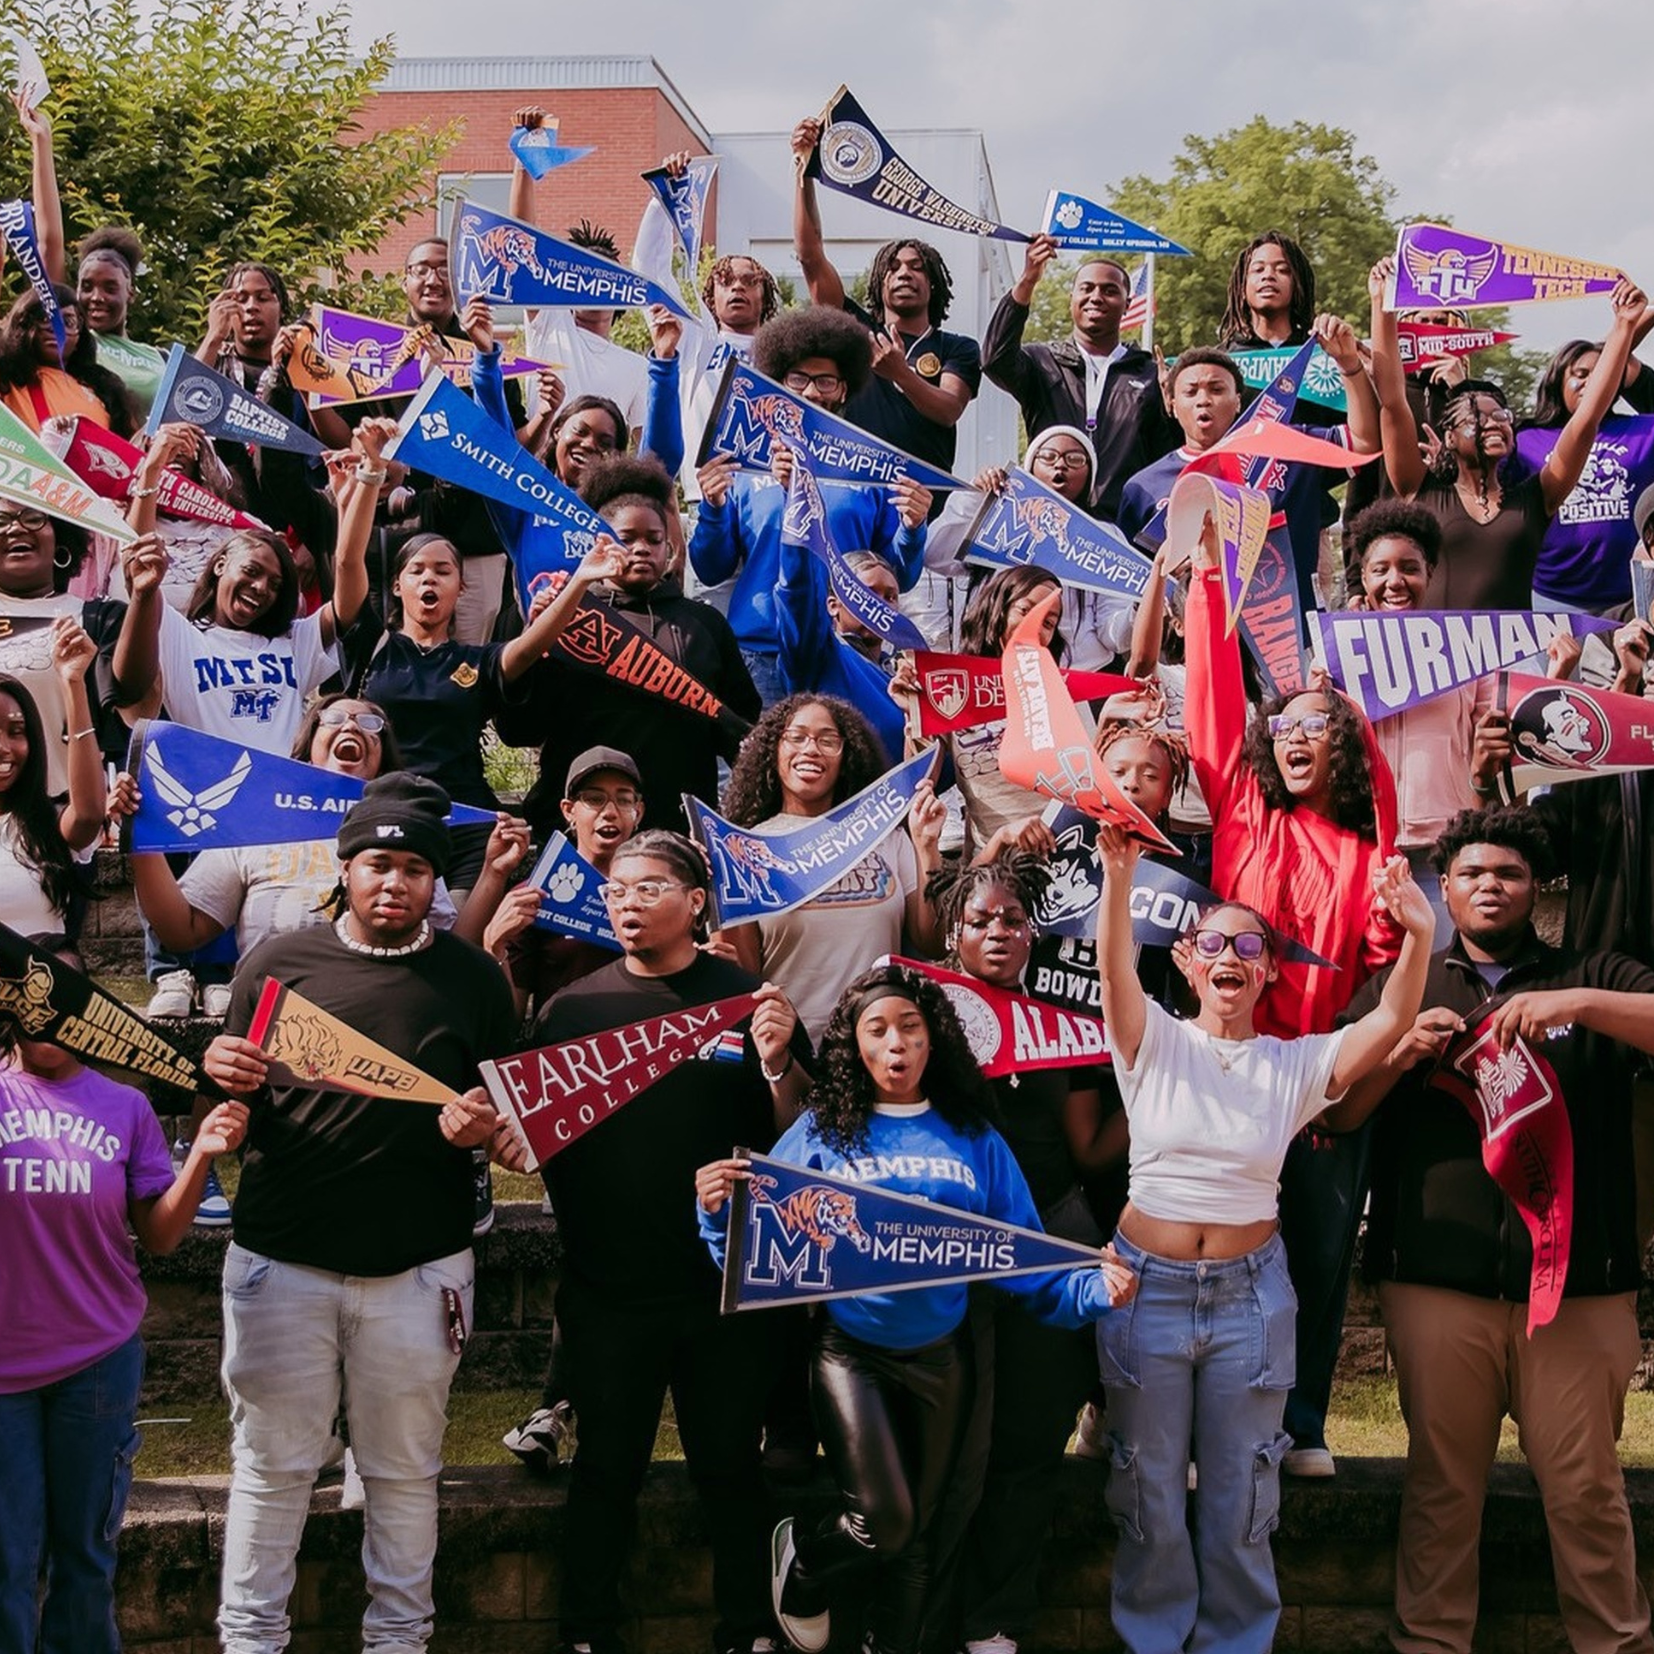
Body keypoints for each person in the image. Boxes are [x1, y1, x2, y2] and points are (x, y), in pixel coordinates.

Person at [696, 963, 1136, 1654]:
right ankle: (805, 1567)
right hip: (852, 1356)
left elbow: (1022, 1265)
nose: (896, 1043)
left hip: (942, 1358)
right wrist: (718, 1214)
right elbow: (757, 1258)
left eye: (911, 1027)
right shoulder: (821, 1132)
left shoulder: (976, 1138)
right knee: (885, 1524)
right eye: (878, 1029)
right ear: (853, 1046)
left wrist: (1094, 1289)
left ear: (935, 1042)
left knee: (920, 1539)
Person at [1092, 822, 1433, 1654]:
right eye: (1214, 941)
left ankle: (1237, 1643)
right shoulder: (1153, 1039)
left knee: (1245, 1495)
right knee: (1149, 1489)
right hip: (1147, 1293)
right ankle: (1152, 1640)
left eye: (1250, 943)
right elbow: (1110, 973)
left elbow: (1391, 1019)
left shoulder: (1294, 1065)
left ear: (1270, 969)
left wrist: (1420, 934)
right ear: (1187, 960)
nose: (1231, 954)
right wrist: (1117, 877)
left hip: (1250, 1299)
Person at [202, 773, 515, 1654]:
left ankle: (399, 1644)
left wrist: (485, 1129)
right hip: (280, 1265)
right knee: (270, 1472)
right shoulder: (275, 965)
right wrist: (214, 1082)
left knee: (405, 1475)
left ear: (433, 884)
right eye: (378, 863)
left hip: (419, 1271)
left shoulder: (474, 979)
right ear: (347, 869)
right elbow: (222, 1117)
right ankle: (250, 1642)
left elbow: (510, 1127)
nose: (395, 883)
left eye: (414, 867)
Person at [1331, 805, 1654, 1654]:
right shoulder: (1407, 985)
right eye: (1471, 873)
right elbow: (1337, 1110)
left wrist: (1583, 1003)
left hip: (1579, 1291)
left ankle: (1615, 1645)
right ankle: (1430, 1645)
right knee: (1441, 1490)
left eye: (1508, 874)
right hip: (1438, 1284)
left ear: (1536, 889)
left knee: (1586, 1491)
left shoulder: (1596, 971)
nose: (1489, 887)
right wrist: (1398, 1054)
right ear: (1445, 888)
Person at [493, 828, 812, 1654]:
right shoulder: (574, 1009)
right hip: (609, 1291)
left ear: (695, 901)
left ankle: (748, 1632)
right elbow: (533, 1136)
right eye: (616, 890)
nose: (626, 903)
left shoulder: (750, 1001)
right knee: (604, 1472)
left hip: (723, 1290)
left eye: (647, 889)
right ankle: (585, 1634)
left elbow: (798, 1143)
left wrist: (779, 1065)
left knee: (729, 1471)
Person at [1183, 507, 1403, 1477]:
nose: (1296, 738)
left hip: (1315, 1087)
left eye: (1319, 728)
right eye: (1285, 727)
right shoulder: (1240, 814)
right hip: (1226, 1069)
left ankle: (1302, 1423)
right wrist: (1208, 577)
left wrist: (1330, 1088)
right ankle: (1198, 1427)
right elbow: (1211, 704)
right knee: (1211, 1256)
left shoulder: (1365, 853)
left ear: (1346, 746)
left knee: (1314, 1255)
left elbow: (1386, 944)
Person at [0, 934, 250, 1654]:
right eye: (32, 997)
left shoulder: (125, 1108)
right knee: (6, 1564)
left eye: (68, 1000)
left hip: (96, 1364)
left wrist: (199, 1155)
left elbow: (163, 1239)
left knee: (85, 1562)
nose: (48, 1015)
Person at [919, 853, 1125, 1654]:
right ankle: (922, 1615)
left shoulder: (1063, 1025)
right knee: (940, 1440)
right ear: (953, 932)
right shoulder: (919, 1013)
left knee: (1030, 1438)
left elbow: (1087, 1147)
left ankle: (997, 1619)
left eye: (1013, 919)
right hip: (943, 1249)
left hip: (1049, 1238)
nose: (999, 931)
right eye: (981, 920)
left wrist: (1158, 1094)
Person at [332, 393, 625, 898]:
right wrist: (372, 473)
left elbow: (532, 646)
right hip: (384, 816)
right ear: (398, 586)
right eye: (417, 570)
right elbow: (346, 564)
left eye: (444, 571)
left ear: (461, 589)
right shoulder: (371, 644)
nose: (431, 579)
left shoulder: (477, 661)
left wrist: (580, 580)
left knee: (462, 945)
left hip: (465, 826)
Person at [493, 453, 759, 841]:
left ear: (669, 547)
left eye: (653, 540)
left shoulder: (704, 624)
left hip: (676, 832)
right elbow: (519, 729)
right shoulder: (559, 616)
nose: (641, 549)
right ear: (598, 543)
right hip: (578, 836)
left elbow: (738, 728)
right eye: (627, 538)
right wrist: (537, 637)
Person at [1370, 258, 1648, 610]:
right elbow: (1392, 402)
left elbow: (1587, 417)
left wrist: (1624, 326)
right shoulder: (1420, 490)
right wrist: (1382, 306)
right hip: (1440, 659)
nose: (1495, 422)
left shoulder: (1536, 498)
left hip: (1518, 661)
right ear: (1450, 438)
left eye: (1502, 415)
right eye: (1477, 416)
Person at [690, 304, 931, 706]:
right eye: (798, 377)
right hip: (758, 652)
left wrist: (912, 526)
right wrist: (713, 508)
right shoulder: (746, 464)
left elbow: (899, 579)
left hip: (844, 652)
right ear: (779, 380)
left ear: (843, 389)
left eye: (825, 381)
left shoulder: (868, 470)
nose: (810, 391)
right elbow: (710, 568)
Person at [717, 693, 945, 1042]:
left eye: (828, 740)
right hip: (792, 1050)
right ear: (773, 750)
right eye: (796, 737)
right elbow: (746, 976)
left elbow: (933, 942)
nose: (811, 749)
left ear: (847, 755)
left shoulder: (884, 836)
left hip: (878, 1051)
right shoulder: (744, 850)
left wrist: (926, 846)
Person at [1118, 325, 1377, 618]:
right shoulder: (1142, 488)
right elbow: (1133, 584)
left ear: (1238, 400)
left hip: (1289, 639)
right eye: (1191, 391)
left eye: (1217, 389)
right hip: (1191, 646)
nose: (1204, 399)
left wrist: (1350, 366)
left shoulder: (1284, 446)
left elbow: (1364, 444)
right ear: (1172, 404)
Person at [790, 116, 981, 478]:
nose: (904, 272)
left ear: (934, 284)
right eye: (892, 267)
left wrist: (900, 373)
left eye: (917, 266)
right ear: (879, 282)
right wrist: (804, 170)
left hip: (925, 506)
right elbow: (810, 256)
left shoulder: (958, 348)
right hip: (857, 495)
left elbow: (949, 409)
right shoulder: (853, 329)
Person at [980, 234, 1176, 516]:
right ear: (1071, 298)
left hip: (1124, 529)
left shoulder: (1149, 374)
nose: (1096, 297)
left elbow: (1167, 454)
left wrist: (1175, 412)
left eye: (1110, 290)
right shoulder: (1042, 362)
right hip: (1051, 520)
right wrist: (1028, 280)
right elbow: (994, 359)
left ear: (1128, 303)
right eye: (1087, 288)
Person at [891, 564, 1069, 853]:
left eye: (1049, 622)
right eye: (1026, 610)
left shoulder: (1063, 689)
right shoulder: (952, 687)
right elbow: (921, 782)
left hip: (1065, 862)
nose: (1037, 625)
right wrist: (915, 713)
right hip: (992, 870)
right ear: (997, 610)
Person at [507, 109, 649, 444]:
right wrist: (525, 159)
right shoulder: (552, 322)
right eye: (587, 273)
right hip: (540, 476)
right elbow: (522, 237)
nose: (597, 286)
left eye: (607, 275)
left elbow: (644, 445)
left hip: (597, 491)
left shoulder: (637, 366)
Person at [1515, 328, 1654, 610]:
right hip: (1552, 596)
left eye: (1602, 372)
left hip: (1630, 596)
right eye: (1581, 374)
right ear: (1557, 380)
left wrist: (1630, 351)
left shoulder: (1642, 430)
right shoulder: (1524, 439)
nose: (1592, 381)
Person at [0, 647, 105, 940]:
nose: (4, 747)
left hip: (41, 984)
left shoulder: (48, 825)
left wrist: (73, 683)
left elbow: (89, 814)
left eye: (16, 731)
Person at [0, 284, 139, 437]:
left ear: (80, 334)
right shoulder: (8, 378)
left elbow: (129, 452)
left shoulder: (104, 388)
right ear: (23, 324)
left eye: (68, 322)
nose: (57, 329)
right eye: (46, 319)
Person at [75, 228, 169, 410]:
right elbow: (49, 245)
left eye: (110, 289)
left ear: (130, 293)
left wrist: (214, 337)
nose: (96, 297)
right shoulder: (73, 343)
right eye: (87, 287)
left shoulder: (161, 358)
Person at [1217, 231, 1318, 350]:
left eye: (1282, 270)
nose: (1268, 275)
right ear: (1242, 288)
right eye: (1258, 269)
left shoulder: (1319, 353)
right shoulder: (1221, 360)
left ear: (1298, 286)